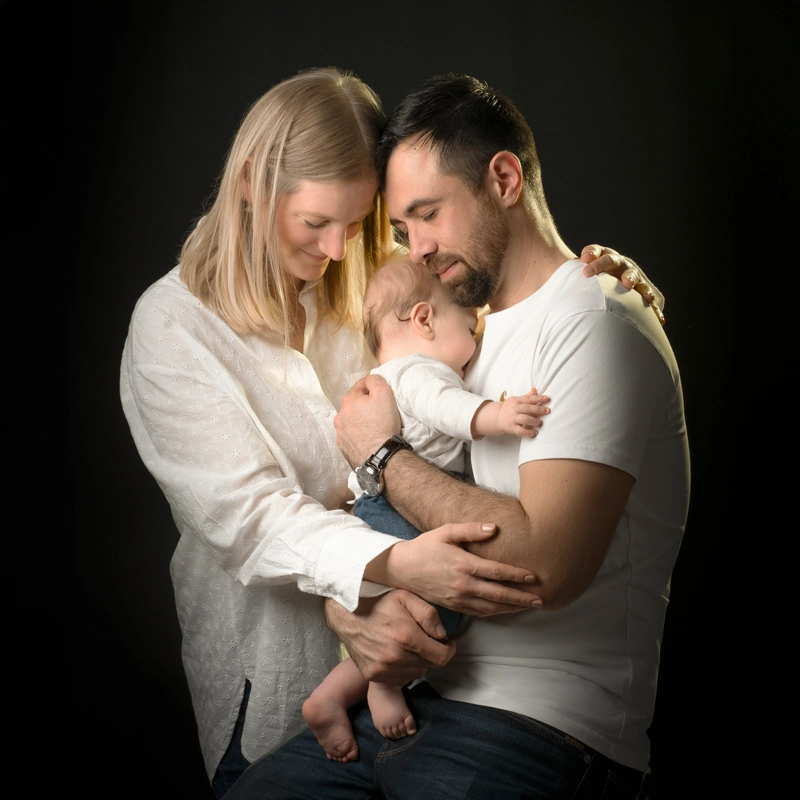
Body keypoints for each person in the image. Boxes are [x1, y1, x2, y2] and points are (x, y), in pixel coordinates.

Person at [120, 66, 663, 796]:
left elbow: (502, 289)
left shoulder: (378, 290)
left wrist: (598, 274)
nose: (341, 249)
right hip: (277, 680)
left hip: (423, 688)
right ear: (251, 182)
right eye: (317, 224)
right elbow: (250, 520)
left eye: (360, 224)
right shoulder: (172, 328)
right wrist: (372, 585)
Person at [302, 250, 550, 762]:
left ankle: (331, 695)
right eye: (470, 325)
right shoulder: (419, 372)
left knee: (392, 614)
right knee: (434, 613)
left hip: (374, 510)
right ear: (424, 320)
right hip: (399, 517)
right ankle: (384, 688)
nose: (475, 339)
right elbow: (448, 409)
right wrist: (497, 414)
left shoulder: (387, 375)